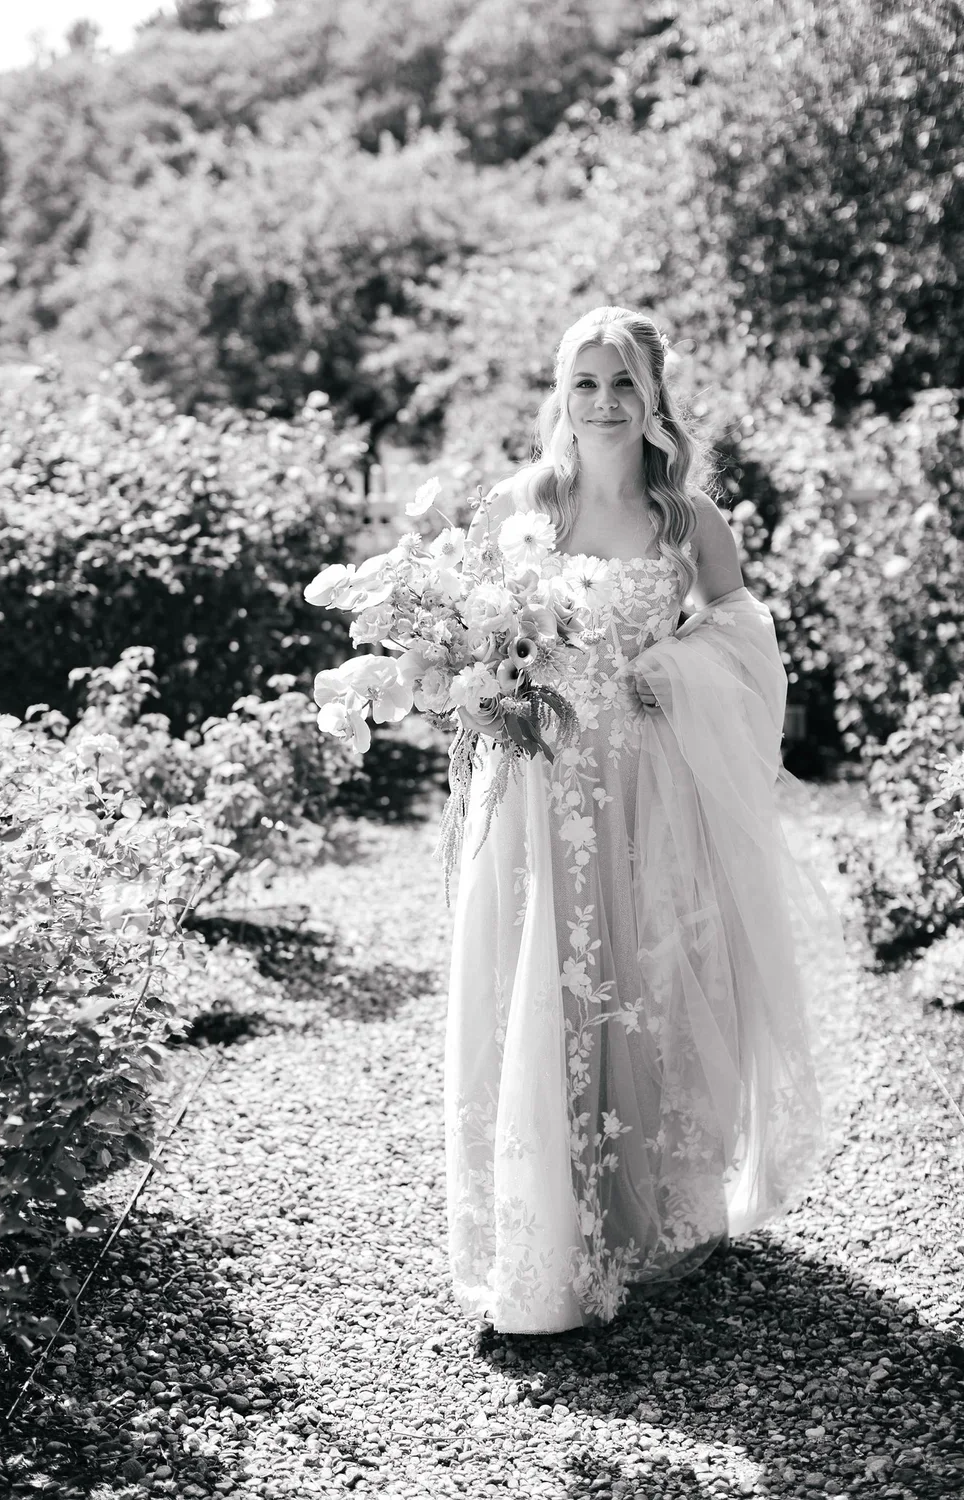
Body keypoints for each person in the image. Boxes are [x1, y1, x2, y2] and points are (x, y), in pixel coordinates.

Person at [444, 305, 840, 1334]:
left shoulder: (686, 518)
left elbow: (742, 632)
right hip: (537, 785)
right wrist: (485, 688)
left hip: (643, 786)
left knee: (643, 980)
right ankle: (538, 1238)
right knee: (539, 980)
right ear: (560, 395)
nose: (605, 402)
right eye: (586, 382)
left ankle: (637, 1212)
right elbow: (470, 640)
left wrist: (672, 664)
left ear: (654, 396)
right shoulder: (518, 506)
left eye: (623, 383)